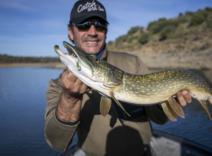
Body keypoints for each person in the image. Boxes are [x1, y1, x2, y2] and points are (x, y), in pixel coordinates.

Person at [44, 0, 192, 155]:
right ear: (70, 31)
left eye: (99, 25)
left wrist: (166, 101)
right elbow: (57, 143)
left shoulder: (133, 63)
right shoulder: (57, 85)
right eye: (83, 25)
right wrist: (69, 98)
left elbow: (159, 119)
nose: (93, 32)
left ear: (106, 31)